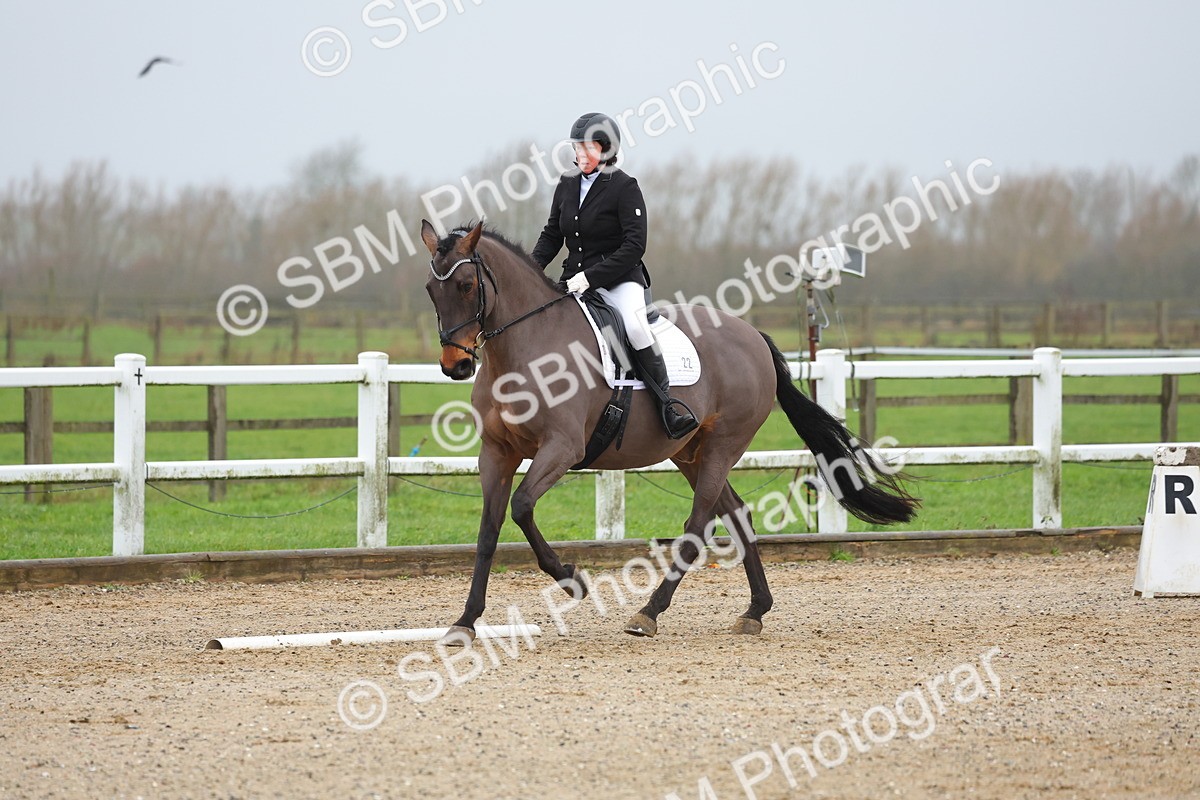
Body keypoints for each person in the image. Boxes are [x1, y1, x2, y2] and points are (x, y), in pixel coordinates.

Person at [531, 112, 698, 439]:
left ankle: (668, 404)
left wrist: (592, 277)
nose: (581, 155)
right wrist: (531, 270)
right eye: (578, 148)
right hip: (573, 280)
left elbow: (635, 245)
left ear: (606, 150)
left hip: (620, 281)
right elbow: (552, 234)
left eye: (589, 148)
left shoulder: (624, 187)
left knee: (635, 327)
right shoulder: (567, 184)